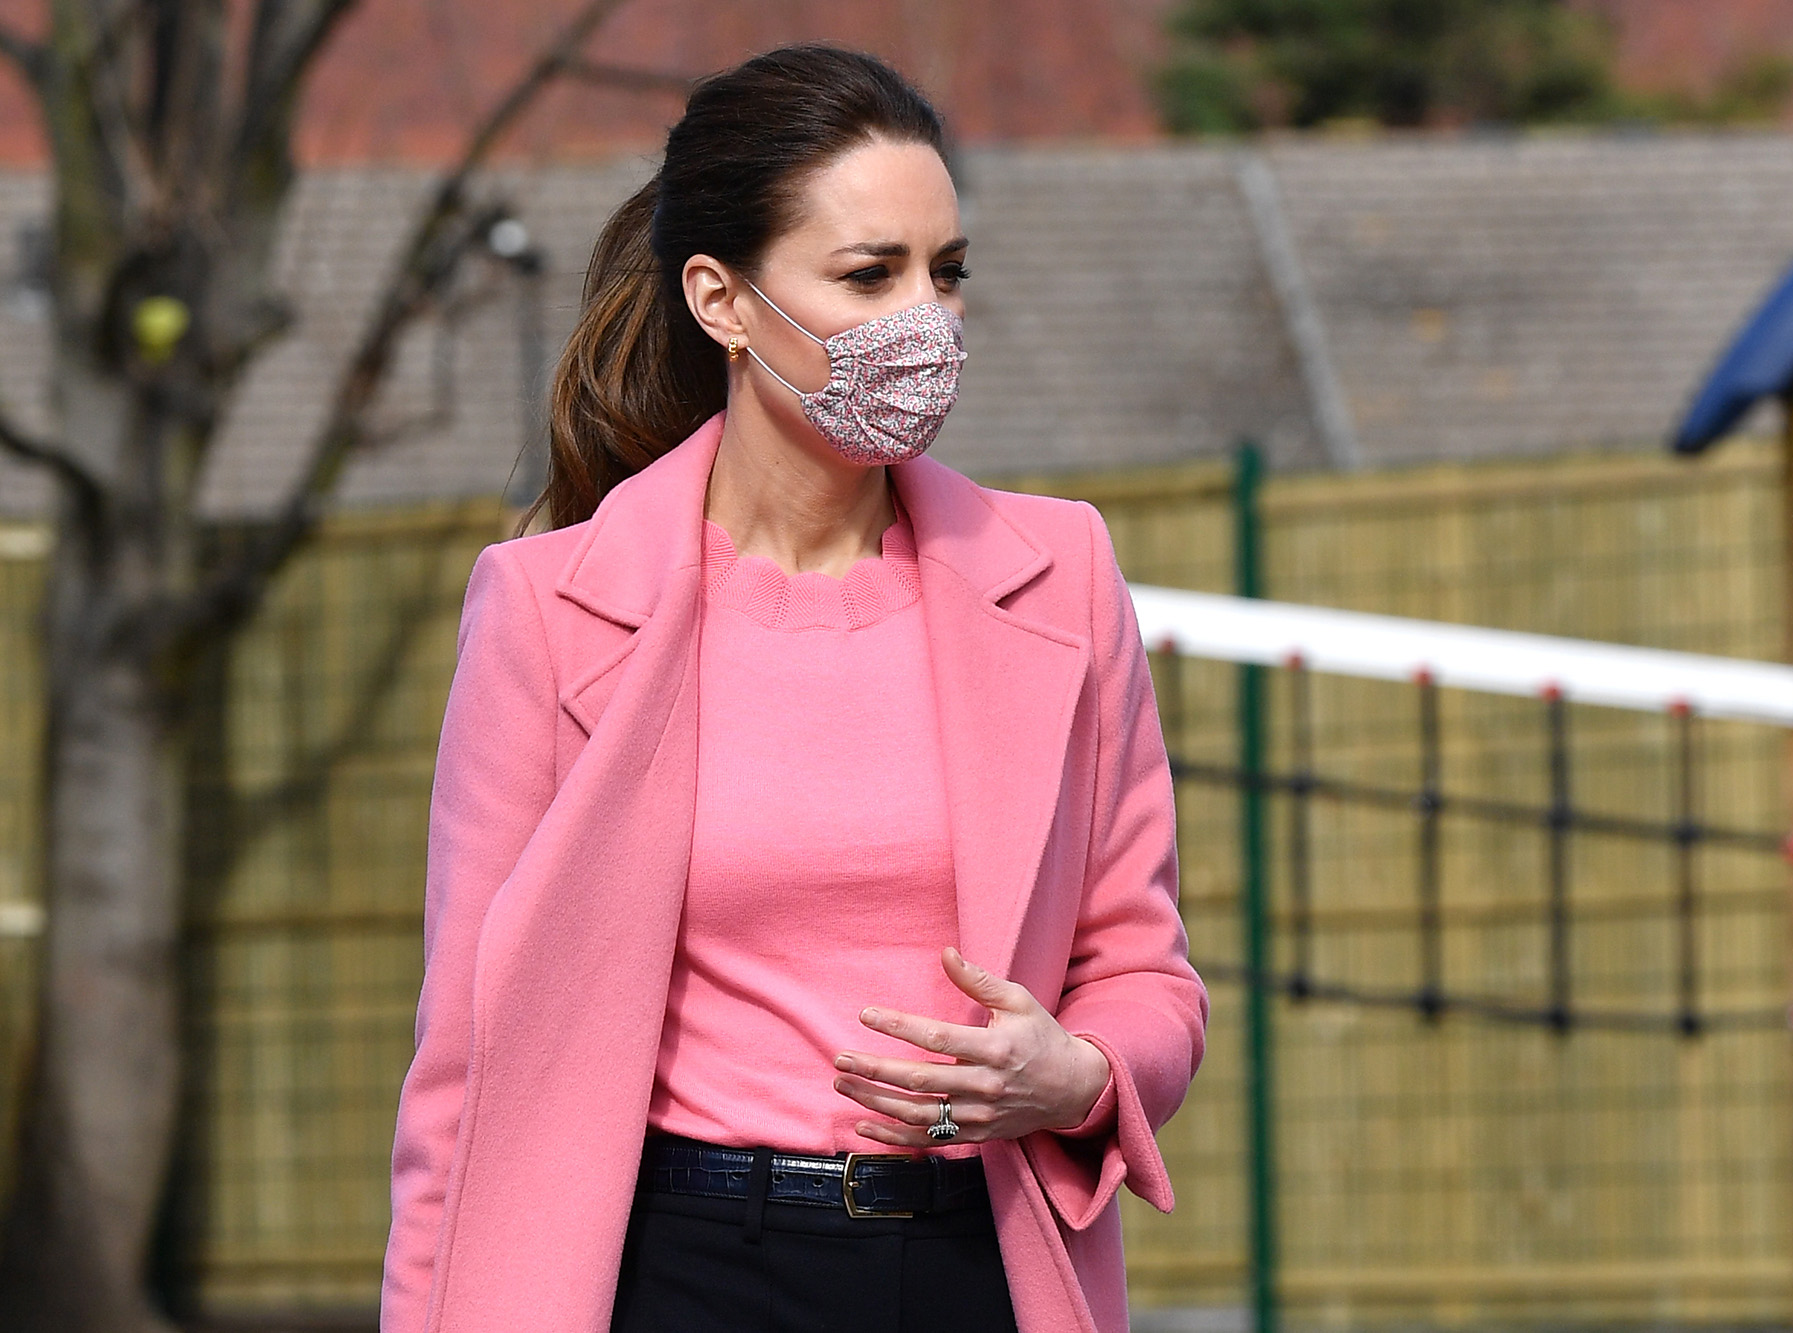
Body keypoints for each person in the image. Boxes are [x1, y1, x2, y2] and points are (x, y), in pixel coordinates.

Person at [380, 44, 1207, 1333]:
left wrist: (1079, 1073)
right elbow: (466, 1060)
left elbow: (1147, 972)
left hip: (976, 1269)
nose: (924, 319)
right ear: (720, 300)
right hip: (673, 1270)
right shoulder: (547, 609)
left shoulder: (1063, 576)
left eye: (950, 273)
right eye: (870, 275)